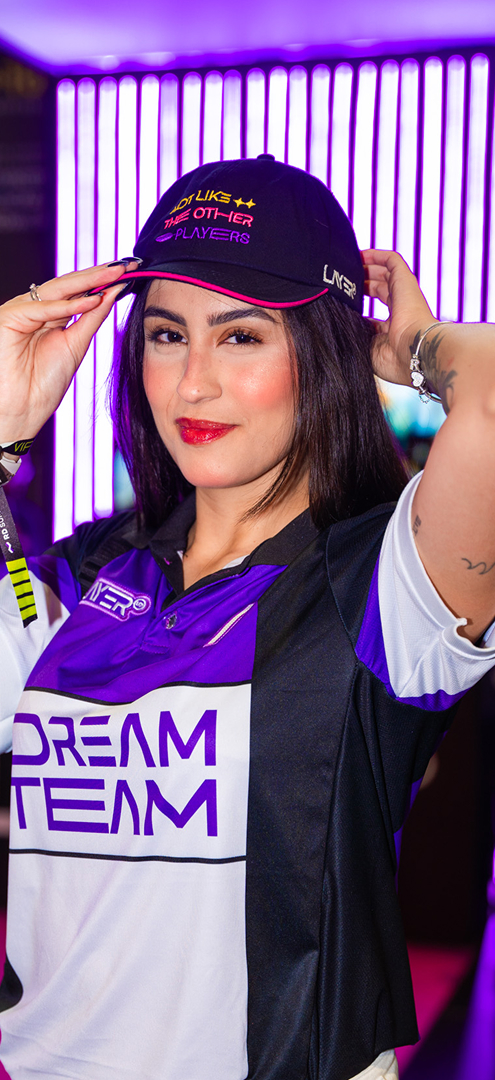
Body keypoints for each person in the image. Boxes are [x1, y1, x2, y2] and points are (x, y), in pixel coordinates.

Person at [0, 154, 494, 1080]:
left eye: (240, 336)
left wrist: (411, 347)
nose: (192, 384)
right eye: (165, 335)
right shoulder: (80, 577)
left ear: (321, 353)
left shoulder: (384, 583)